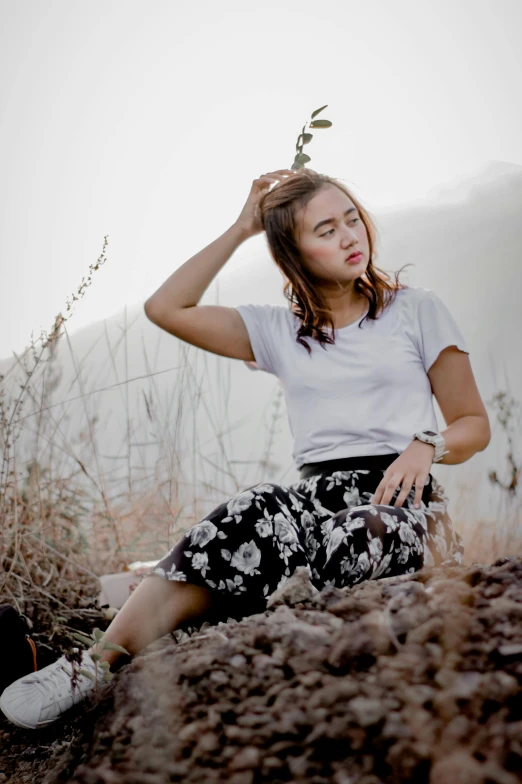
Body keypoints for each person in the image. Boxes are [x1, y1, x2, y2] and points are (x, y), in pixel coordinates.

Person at [0, 167, 491, 730]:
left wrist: (426, 445)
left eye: (352, 219)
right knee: (255, 508)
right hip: (316, 497)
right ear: (295, 252)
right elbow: (167, 309)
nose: (350, 237)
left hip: (403, 501)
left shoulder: (416, 310)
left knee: (352, 536)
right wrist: (241, 228)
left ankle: (197, 596)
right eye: (326, 230)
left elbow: (473, 423)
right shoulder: (281, 331)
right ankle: (92, 665)